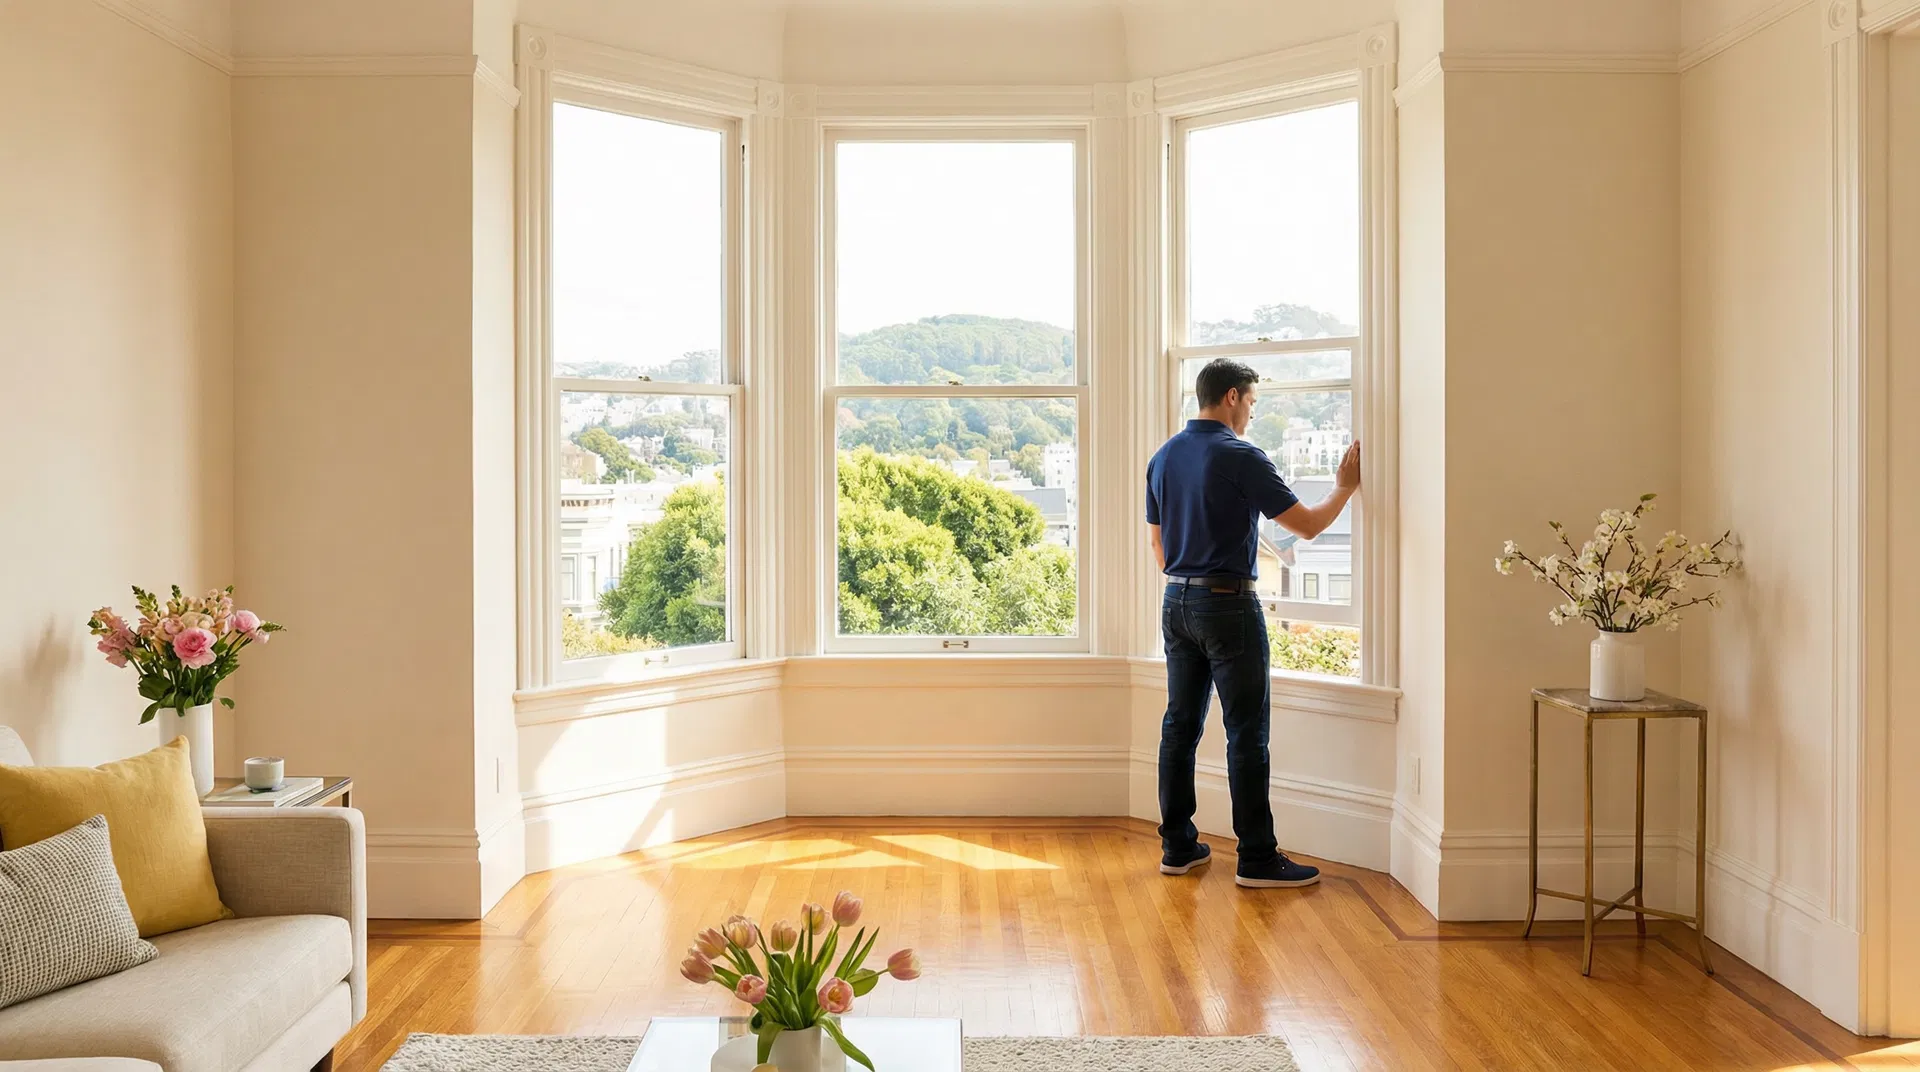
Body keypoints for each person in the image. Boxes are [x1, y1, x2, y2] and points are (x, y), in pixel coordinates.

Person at [1145, 358, 1361, 888]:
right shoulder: (1240, 456)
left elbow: (1158, 545)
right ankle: (1258, 859)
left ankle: (1178, 847)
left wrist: (1188, 582)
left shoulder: (1163, 456)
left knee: (1179, 726)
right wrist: (1345, 487)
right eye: (1254, 403)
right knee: (1245, 733)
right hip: (1227, 604)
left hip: (1176, 601)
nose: (1252, 415)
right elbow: (1306, 527)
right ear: (1234, 397)